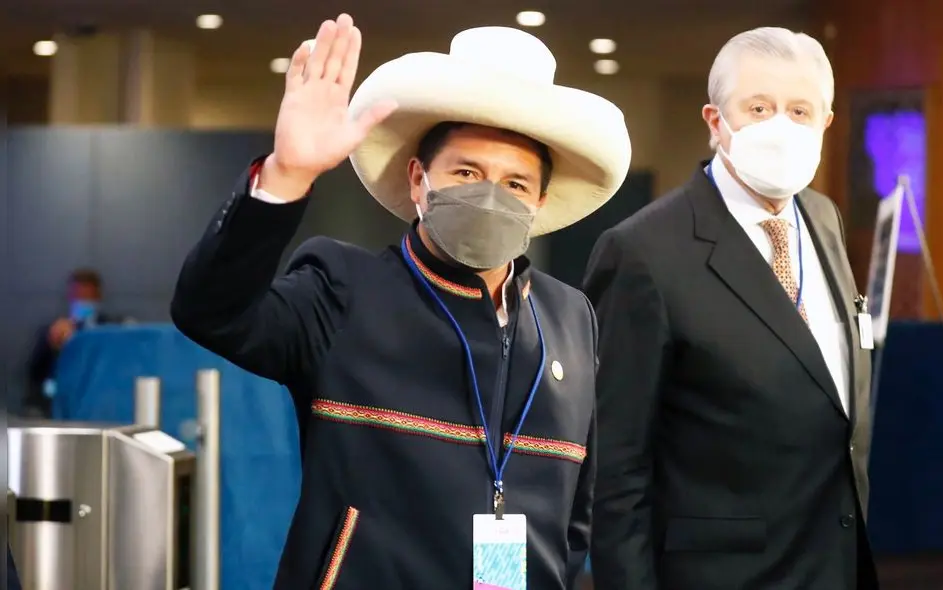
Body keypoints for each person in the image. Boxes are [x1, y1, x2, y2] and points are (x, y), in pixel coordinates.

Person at [170, 15, 630, 590]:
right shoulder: (343, 288)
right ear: (419, 180)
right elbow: (210, 312)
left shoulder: (569, 318)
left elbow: (574, 512)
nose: (491, 196)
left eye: (515, 183)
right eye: (466, 171)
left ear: (538, 200)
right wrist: (286, 177)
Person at [584, 27, 879, 590]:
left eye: (799, 111)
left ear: (827, 124)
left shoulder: (824, 219)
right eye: (759, 108)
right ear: (717, 122)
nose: (781, 127)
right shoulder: (643, 251)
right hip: (717, 574)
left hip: (832, 561)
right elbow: (616, 470)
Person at [25, 268, 124, 417]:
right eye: (78, 296)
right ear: (70, 297)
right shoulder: (53, 330)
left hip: (102, 402)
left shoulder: (113, 330)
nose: (82, 301)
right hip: (61, 402)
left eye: (87, 296)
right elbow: (35, 373)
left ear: (98, 297)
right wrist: (53, 346)